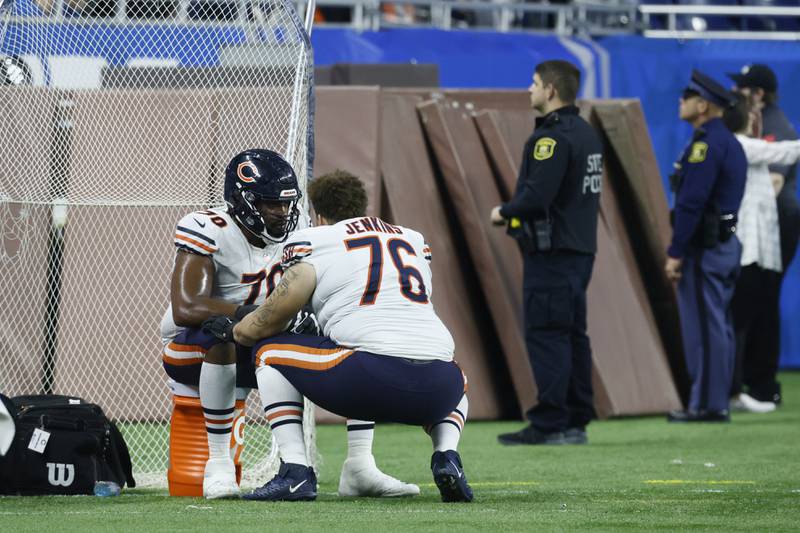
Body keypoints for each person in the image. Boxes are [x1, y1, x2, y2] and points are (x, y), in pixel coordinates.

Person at [160, 150, 418, 499]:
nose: (282, 213)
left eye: (286, 204)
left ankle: (359, 464)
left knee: (354, 341)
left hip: (263, 345)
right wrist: (262, 314)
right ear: (243, 200)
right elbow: (187, 307)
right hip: (196, 346)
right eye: (270, 204)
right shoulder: (208, 227)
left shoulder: (301, 229)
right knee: (221, 333)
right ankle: (218, 466)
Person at [203, 170, 473, 503]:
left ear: (319, 215)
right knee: (457, 374)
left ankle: (295, 472)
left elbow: (270, 320)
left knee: (270, 352)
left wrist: (236, 329)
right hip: (441, 385)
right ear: (362, 205)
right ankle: (446, 454)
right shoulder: (413, 239)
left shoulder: (317, 241)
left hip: (368, 377)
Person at [489, 59, 603, 445]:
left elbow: (538, 197)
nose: (529, 89)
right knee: (573, 334)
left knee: (547, 334)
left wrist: (503, 211)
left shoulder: (550, 139)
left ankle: (551, 421)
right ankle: (575, 418)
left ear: (551, 90)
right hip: (580, 250)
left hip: (552, 253)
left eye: (534, 83)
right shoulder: (587, 133)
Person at [665, 70, 747, 423]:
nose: (680, 103)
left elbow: (691, 204)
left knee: (705, 328)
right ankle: (713, 400)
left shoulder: (705, 145)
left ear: (702, 105)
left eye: (686, 97)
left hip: (705, 248)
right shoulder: (728, 141)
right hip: (724, 244)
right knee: (718, 325)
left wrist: (676, 251)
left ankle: (709, 405)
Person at [722, 94, 800, 413]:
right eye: (753, 114)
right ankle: (730, 391)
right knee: (737, 322)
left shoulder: (739, 146)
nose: (758, 118)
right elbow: (783, 150)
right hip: (746, 252)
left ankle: (733, 390)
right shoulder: (740, 145)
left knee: (741, 320)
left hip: (756, 251)